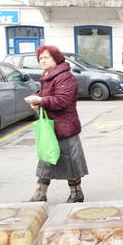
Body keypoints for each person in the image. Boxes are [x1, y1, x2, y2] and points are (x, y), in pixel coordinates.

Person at [24, 45, 88, 203]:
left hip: (65, 127)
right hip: (50, 127)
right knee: (46, 160)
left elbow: (62, 100)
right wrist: (37, 101)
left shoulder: (65, 77)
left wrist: (40, 100)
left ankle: (76, 193)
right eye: (40, 58)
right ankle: (40, 194)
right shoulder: (47, 76)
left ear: (56, 59)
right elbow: (46, 95)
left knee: (71, 162)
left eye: (46, 57)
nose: (42, 60)